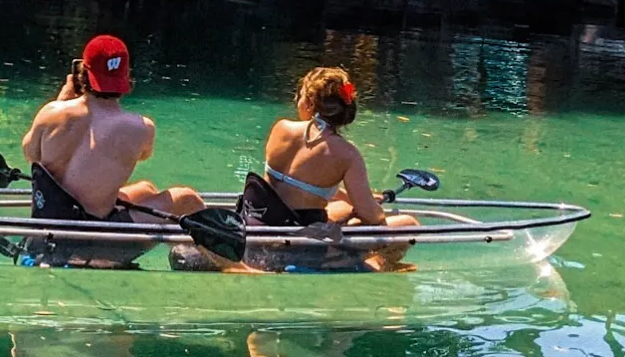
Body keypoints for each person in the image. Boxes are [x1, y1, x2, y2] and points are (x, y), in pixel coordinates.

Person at [21, 34, 203, 223]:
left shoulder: (50, 112)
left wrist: (62, 100)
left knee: (146, 188)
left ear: (83, 73)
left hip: (46, 222)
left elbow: (30, 154)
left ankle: (183, 252)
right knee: (186, 198)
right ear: (126, 76)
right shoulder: (142, 128)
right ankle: (217, 252)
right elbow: (144, 154)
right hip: (93, 234)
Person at [240, 67, 418, 246]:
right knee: (409, 224)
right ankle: (376, 263)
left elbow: (297, 184)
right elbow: (371, 216)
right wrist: (374, 209)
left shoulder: (281, 128)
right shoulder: (348, 154)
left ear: (310, 103)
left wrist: (354, 200)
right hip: (299, 238)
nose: (297, 102)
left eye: (300, 96)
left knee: (344, 208)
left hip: (261, 222)